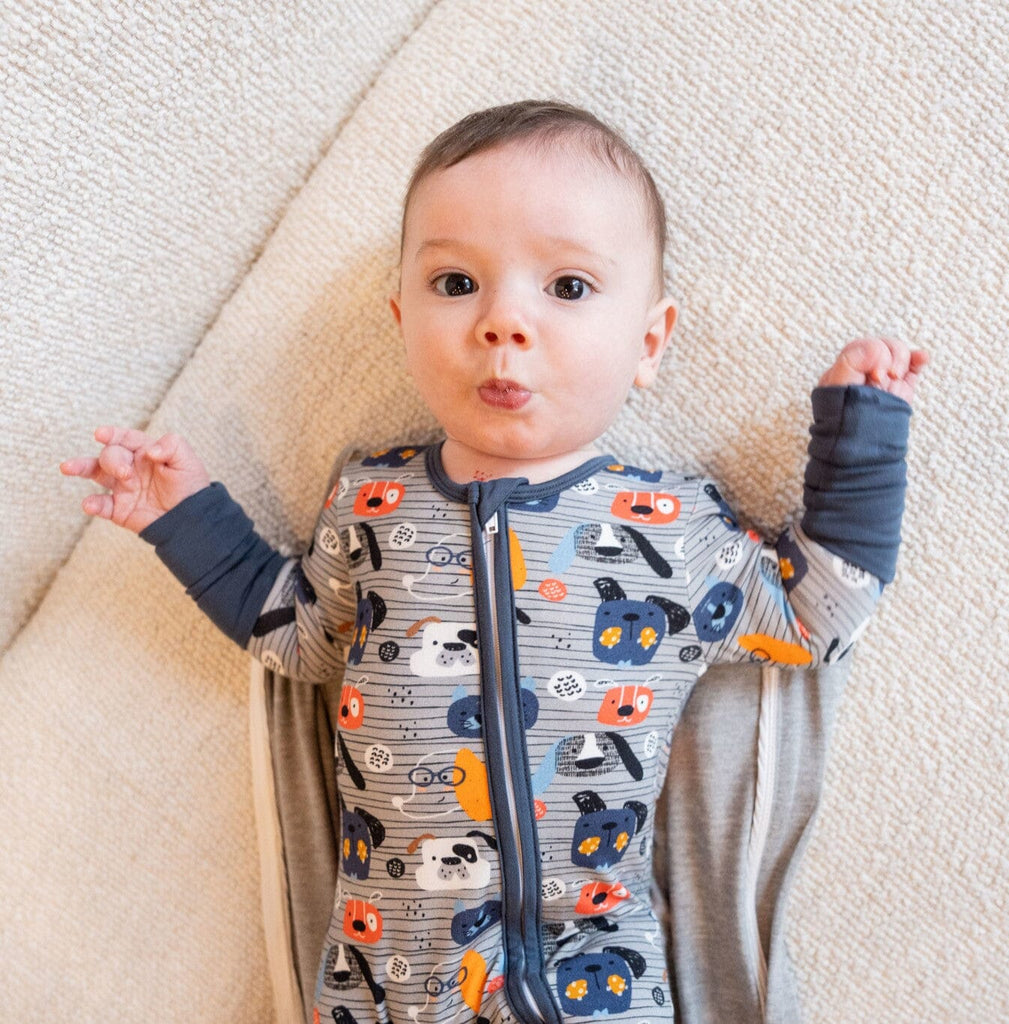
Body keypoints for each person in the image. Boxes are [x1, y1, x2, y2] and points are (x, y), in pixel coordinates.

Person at [61, 100, 927, 1024]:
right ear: (400, 320)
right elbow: (301, 636)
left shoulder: (670, 533)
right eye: (455, 282)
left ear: (649, 341)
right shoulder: (372, 504)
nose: (503, 321)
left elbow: (818, 613)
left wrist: (861, 437)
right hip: (390, 983)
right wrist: (186, 518)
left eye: (566, 288)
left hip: (597, 979)